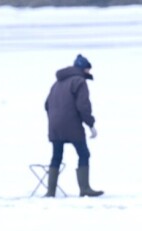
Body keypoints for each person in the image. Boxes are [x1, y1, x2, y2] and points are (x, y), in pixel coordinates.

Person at [44, 54, 103, 197]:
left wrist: (54, 118)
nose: (89, 73)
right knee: (84, 154)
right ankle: (85, 189)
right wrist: (91, 124)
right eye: (88, 70)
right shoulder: (79, 82)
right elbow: (83, 106)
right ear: (83, 69)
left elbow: (46, 105)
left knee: (56, 156)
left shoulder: (56, 83)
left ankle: (50, 191)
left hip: (54, 126)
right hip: (72, 125)